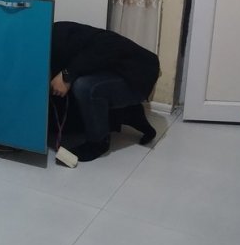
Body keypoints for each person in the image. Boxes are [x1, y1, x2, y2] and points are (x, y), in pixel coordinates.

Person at [50, 21, 160, 162]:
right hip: (115, 74)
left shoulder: (59, 33)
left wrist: (67, 74)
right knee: (70, 89)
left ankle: (98, 143)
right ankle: (128, 113)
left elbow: (108, 44)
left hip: (139, 73)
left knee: (84, 87)